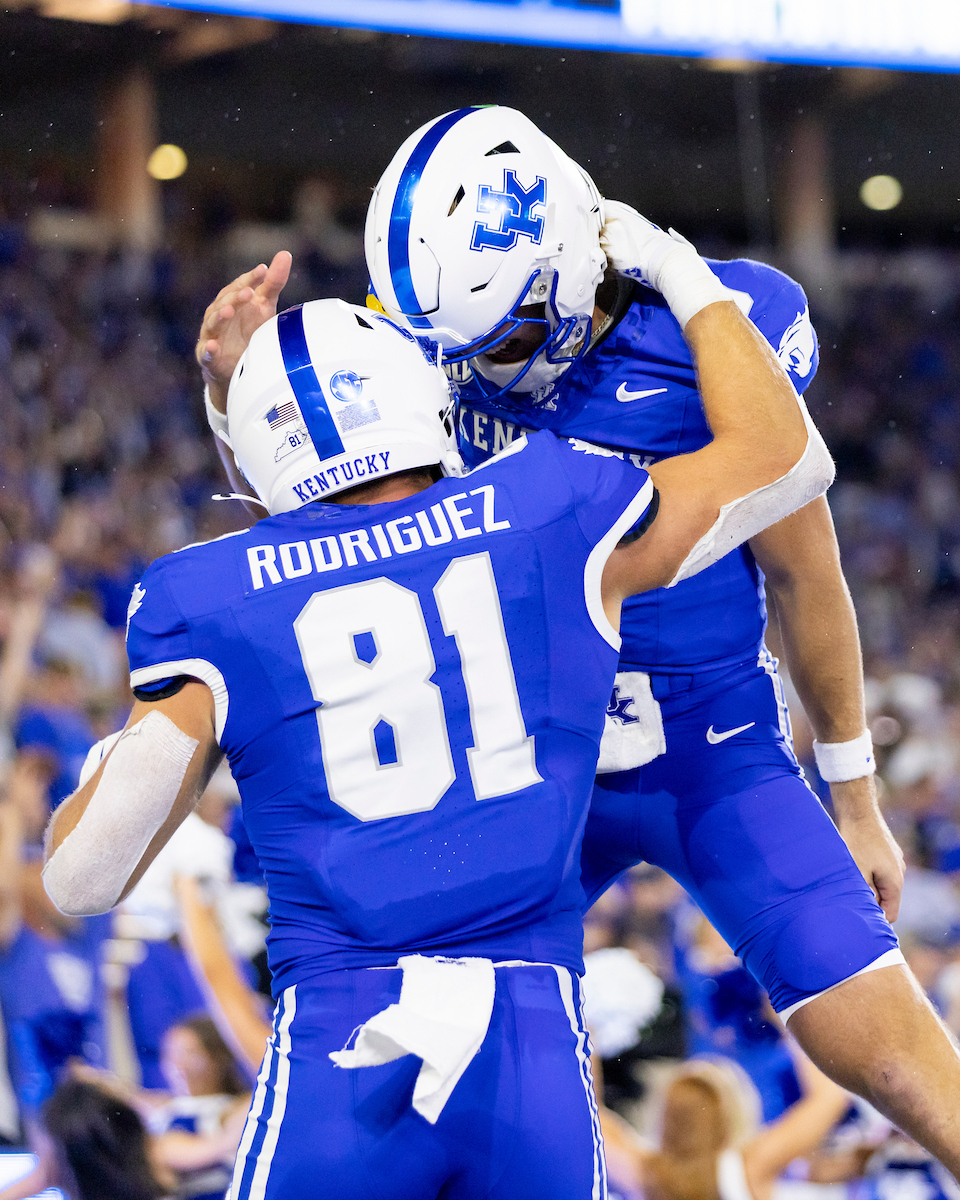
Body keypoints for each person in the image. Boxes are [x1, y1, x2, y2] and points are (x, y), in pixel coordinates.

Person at [44, 261, 825, 1200]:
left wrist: (234, 405)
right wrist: (675, 269)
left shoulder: (205, 596)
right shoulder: (550, 508)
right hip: (532, 1060)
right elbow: (784, 455)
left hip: (343, 1054)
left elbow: (83, 876)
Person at [359, 105, 960, 1169]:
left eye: (501, 336)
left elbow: (803, 569)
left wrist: (855, 795)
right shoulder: (433, 351)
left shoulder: (707, 330)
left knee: (893, 1050)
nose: (478, 369)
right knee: (398, 1055)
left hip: (709, 746)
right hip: (532, 756)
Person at [600, 1053, 849, 1200]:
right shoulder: (746, 1168)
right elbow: (829, 1099)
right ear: (730, 1115)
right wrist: (788, 1014)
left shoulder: (645, 1176)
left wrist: (589, 1019)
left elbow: (591, 1108)